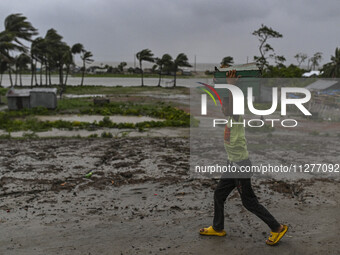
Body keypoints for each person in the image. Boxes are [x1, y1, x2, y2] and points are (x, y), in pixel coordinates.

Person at [199, 70, 288, 246]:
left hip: (241, 165)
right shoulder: (229, 120)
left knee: (249, 202)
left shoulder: (236, 116)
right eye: (222, 106)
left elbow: (235, 106)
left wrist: (232, 86)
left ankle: (277, 228)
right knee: (219, 194)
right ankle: (218, 228)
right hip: (232, 165)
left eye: (225, 106)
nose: (222, 109)